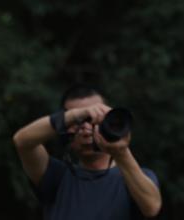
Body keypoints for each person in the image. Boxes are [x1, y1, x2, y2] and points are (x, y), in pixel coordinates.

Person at [13, 84, 162, 219]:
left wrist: (121, 152)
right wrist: (76, 114)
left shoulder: (134, 176)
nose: (86, 130)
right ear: (65, 129)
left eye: (94, 119)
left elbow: (152, 207)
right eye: (78, 122)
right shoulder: (56, 177)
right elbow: (22, 141)